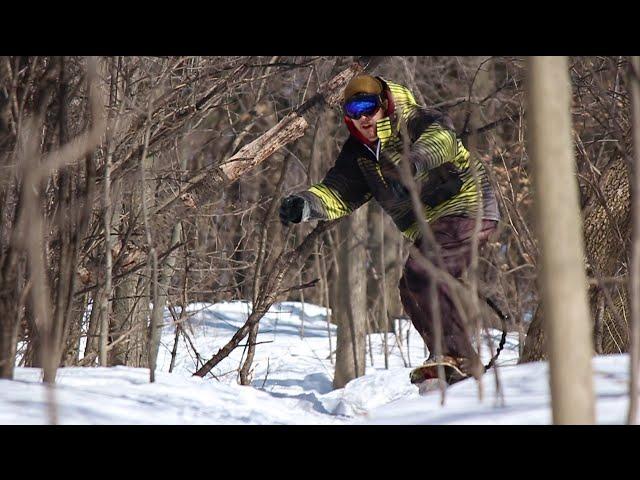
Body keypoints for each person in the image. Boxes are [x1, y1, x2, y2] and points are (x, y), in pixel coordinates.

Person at [279, 75, 500, 384]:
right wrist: (305, 204)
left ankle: (459, 357)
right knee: (409, 289)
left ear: (383, 104)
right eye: (354, 111)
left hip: (467, 207)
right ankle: (446, 359)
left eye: (368, 108)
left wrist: (414, 161)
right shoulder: (359, 154)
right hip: (429, 226)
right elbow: (338, 192)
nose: (363, 118)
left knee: (423, 271)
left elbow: (442, 141)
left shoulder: (415, 120)